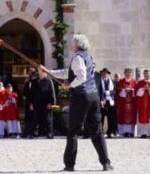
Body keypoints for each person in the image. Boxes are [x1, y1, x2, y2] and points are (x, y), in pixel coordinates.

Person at [45, 34, 112, 172]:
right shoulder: (88, 56)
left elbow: (81, 76)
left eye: (73, 44)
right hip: (93, 96)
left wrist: (69, 85)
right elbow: (68, 72)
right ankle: (106, 163)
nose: (71, 46)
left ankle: (69, 165)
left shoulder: (77, 58)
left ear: (76, 45)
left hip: (81, 97)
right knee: (97, 131)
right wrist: (48, 72)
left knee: (73, 131)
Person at [29, 68, 56, 139]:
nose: (40, 73)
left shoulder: (49, 81)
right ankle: (33, 133)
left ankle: (49, 133)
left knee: (48, 119)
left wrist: (52, 103)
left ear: (45, 73)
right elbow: (31, 93)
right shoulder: (34, 81)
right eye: (39, 71)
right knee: (35, 118)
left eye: (42, 72)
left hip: (46, 103)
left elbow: (52, 92)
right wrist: (31, 103)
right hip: (36, 103)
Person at [135, 69, 150, 138]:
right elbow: (137, 93)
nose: (146, 75)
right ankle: (143, 133)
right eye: (145, 74)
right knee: (143, 117)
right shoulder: (140, 83)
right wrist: (143, 89)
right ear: (143, 74)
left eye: (148, 73)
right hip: (142, 104)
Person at [115, 68, 136, 137]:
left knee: (132, 117)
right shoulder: (121, 81)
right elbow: (118, 90)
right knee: (123, 116)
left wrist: (131, 90)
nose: (128, 74)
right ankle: (125, 132)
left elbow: (136, 90)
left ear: (131, 74)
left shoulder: (134, 82)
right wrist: (124, 90)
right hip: (123, 103)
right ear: (124, 73)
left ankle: (132, 132)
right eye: (126, 72)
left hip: (132, 103)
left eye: (129, 73)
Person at [98, 69, 116, 138]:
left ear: (108, 74)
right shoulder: (99, 81)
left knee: (111, 118)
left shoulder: (112, 81)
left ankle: (110, 132)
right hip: (102, 101)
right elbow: (98, 91)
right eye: (103, 73)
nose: (105, 74)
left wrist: (110, 92)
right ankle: (100, 132)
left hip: (110, 101)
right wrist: (101, 99)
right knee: (101, 118)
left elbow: (115, 90)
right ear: (101, 74)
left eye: (106, 73)